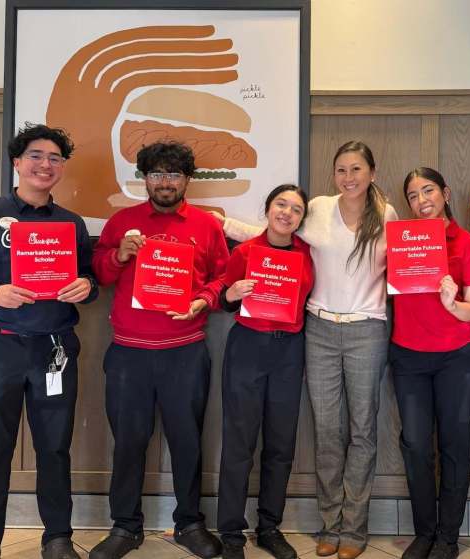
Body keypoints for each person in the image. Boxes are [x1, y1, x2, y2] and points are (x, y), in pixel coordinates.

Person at [217, 141, 398, 559]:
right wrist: (224, 223)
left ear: (372, 171)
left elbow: (409, 262)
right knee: (328, 431)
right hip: (317, 330)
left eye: (356, 169)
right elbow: (275, 233)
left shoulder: (386, 215)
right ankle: (330, 523)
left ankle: (354, 528)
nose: (348, 177)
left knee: (363, 430)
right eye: (340, 169)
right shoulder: (316, 207)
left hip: (367, 330)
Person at [0, 123, 98, 559]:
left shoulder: (72, 225)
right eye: (36, 156)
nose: (45, 165)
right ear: (17, 162)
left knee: (54, 448)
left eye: (55, 158)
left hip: (54, 349)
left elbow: (89, 276)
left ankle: (56, 538)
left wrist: (85, 286)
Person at [89, 141, 229, 559]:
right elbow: (99, 273)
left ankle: (189, 523)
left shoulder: (206, 226)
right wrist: (118, 254)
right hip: (128, 353)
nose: (164, 183)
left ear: (187, 180)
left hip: (185, 352)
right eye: (156, 174)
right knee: (128, 441)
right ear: (144, 178)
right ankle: (125, 526)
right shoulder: (123, 221)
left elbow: (223, 277)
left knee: (187, 440)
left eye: (173, 175)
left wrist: (203, 299)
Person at [391, 167, 470, 559]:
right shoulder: (398, 242)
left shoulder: (466, 243)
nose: (421, 200)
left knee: (455, 445)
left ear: (445, 193)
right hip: (408, 355)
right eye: (412, 195)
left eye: (427, 190)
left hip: (456, 357)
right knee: (414, 445)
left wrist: (452, 303)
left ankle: (448, 536)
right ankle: (424, 532)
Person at [217, 184, 315, 559]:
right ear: (268, 207)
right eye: (280, 204)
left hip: (289, 350)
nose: (287, 213)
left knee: (280, 443)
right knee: (239, 443)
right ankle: (231, 532)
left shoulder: (308, 255)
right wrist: (232, 293)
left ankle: (270, 526)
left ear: (302, 219)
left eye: (296, 209)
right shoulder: (245, 251)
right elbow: (225, 301)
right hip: (247, 349)